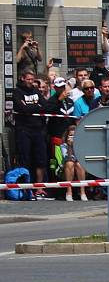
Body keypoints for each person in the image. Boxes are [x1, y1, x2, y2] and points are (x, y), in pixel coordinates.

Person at [13, 70, 49, 198]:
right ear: (22, 78)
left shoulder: (36, 91)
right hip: (24, 130)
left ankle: (39, 187)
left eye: (32, 80)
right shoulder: (17, 92)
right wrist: (36, 106)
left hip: (38, 130)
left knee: (41, 159)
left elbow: (45, 106)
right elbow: (22, 109)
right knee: (25, 158)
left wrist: (34, 107)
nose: (31, 82)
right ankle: (25, 187)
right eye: (28, 79)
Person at [59, 125, 88, 202]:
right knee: (69, 163)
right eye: (71, 135)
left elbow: (81, 157)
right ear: (67, 136)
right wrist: (69, 146)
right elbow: (67, 158)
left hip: (80, 166)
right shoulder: (63, 145)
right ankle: (69, 191)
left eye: (74, 136)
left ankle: (83, 191)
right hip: (66, 168)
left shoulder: (82, 145)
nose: (72, 138)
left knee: (79, 164)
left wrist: (75, 146)